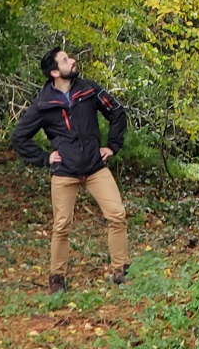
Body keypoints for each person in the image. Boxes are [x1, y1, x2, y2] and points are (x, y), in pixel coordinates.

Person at [11, 48, 131, 293]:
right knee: (61, 226)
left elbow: (117, 113)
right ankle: (57, 280)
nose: (73, 60)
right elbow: (19, 137)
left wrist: (112, 146)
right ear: (55, 72)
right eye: (66, 60)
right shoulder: (43, 104)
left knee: (117, 215)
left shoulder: (89, 90)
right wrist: (46, 158)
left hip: (96, 168)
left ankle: (121, 272)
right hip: (65, 173)